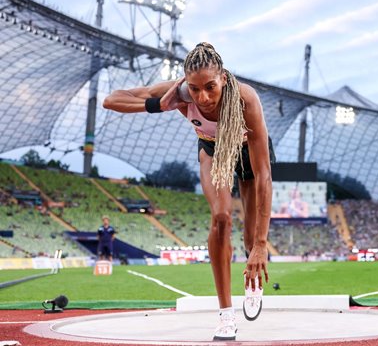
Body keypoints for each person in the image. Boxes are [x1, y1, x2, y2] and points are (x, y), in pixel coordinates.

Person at [103, 42, 275, 341]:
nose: (203, 97)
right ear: (186, 85)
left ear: (223, 77)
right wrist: (157, 105)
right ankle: (225, 314)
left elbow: (264, 177)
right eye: (195, 89)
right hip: (211, 150)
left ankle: (253, 275)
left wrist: (261, 243)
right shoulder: (180, 94)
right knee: (221, 218)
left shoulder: (245, 100)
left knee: (250, 238)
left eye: (210, 86)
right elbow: (111, 100)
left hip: (247, 154)